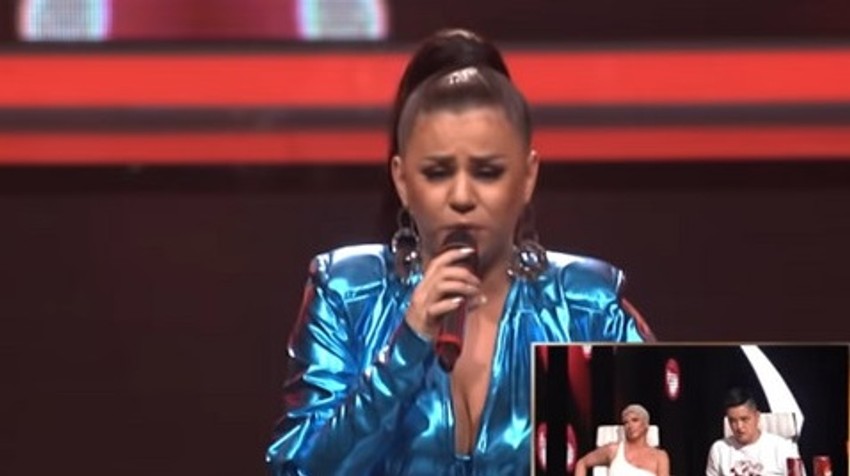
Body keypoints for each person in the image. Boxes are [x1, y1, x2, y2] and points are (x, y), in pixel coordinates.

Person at [266, 29, 654, 475]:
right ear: (402, 180)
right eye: (437, 172)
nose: (462, 196)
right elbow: (296, 469)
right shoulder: (348, 295)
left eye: (487, 172)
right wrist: (408, 345)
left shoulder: (586, 306)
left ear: (527, 177)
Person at [705, 387, 800, 476]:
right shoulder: (719, 450)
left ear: (757, 417)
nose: (739, 427)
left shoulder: (783, 448)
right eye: (733, 421)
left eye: (744, 419)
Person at [575, 404, 670, 476]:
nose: (630, 425)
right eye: (626, 422)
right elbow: (582, 463)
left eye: (635, 420)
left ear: (645, 425)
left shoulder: (660, 456)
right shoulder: (613, 450)